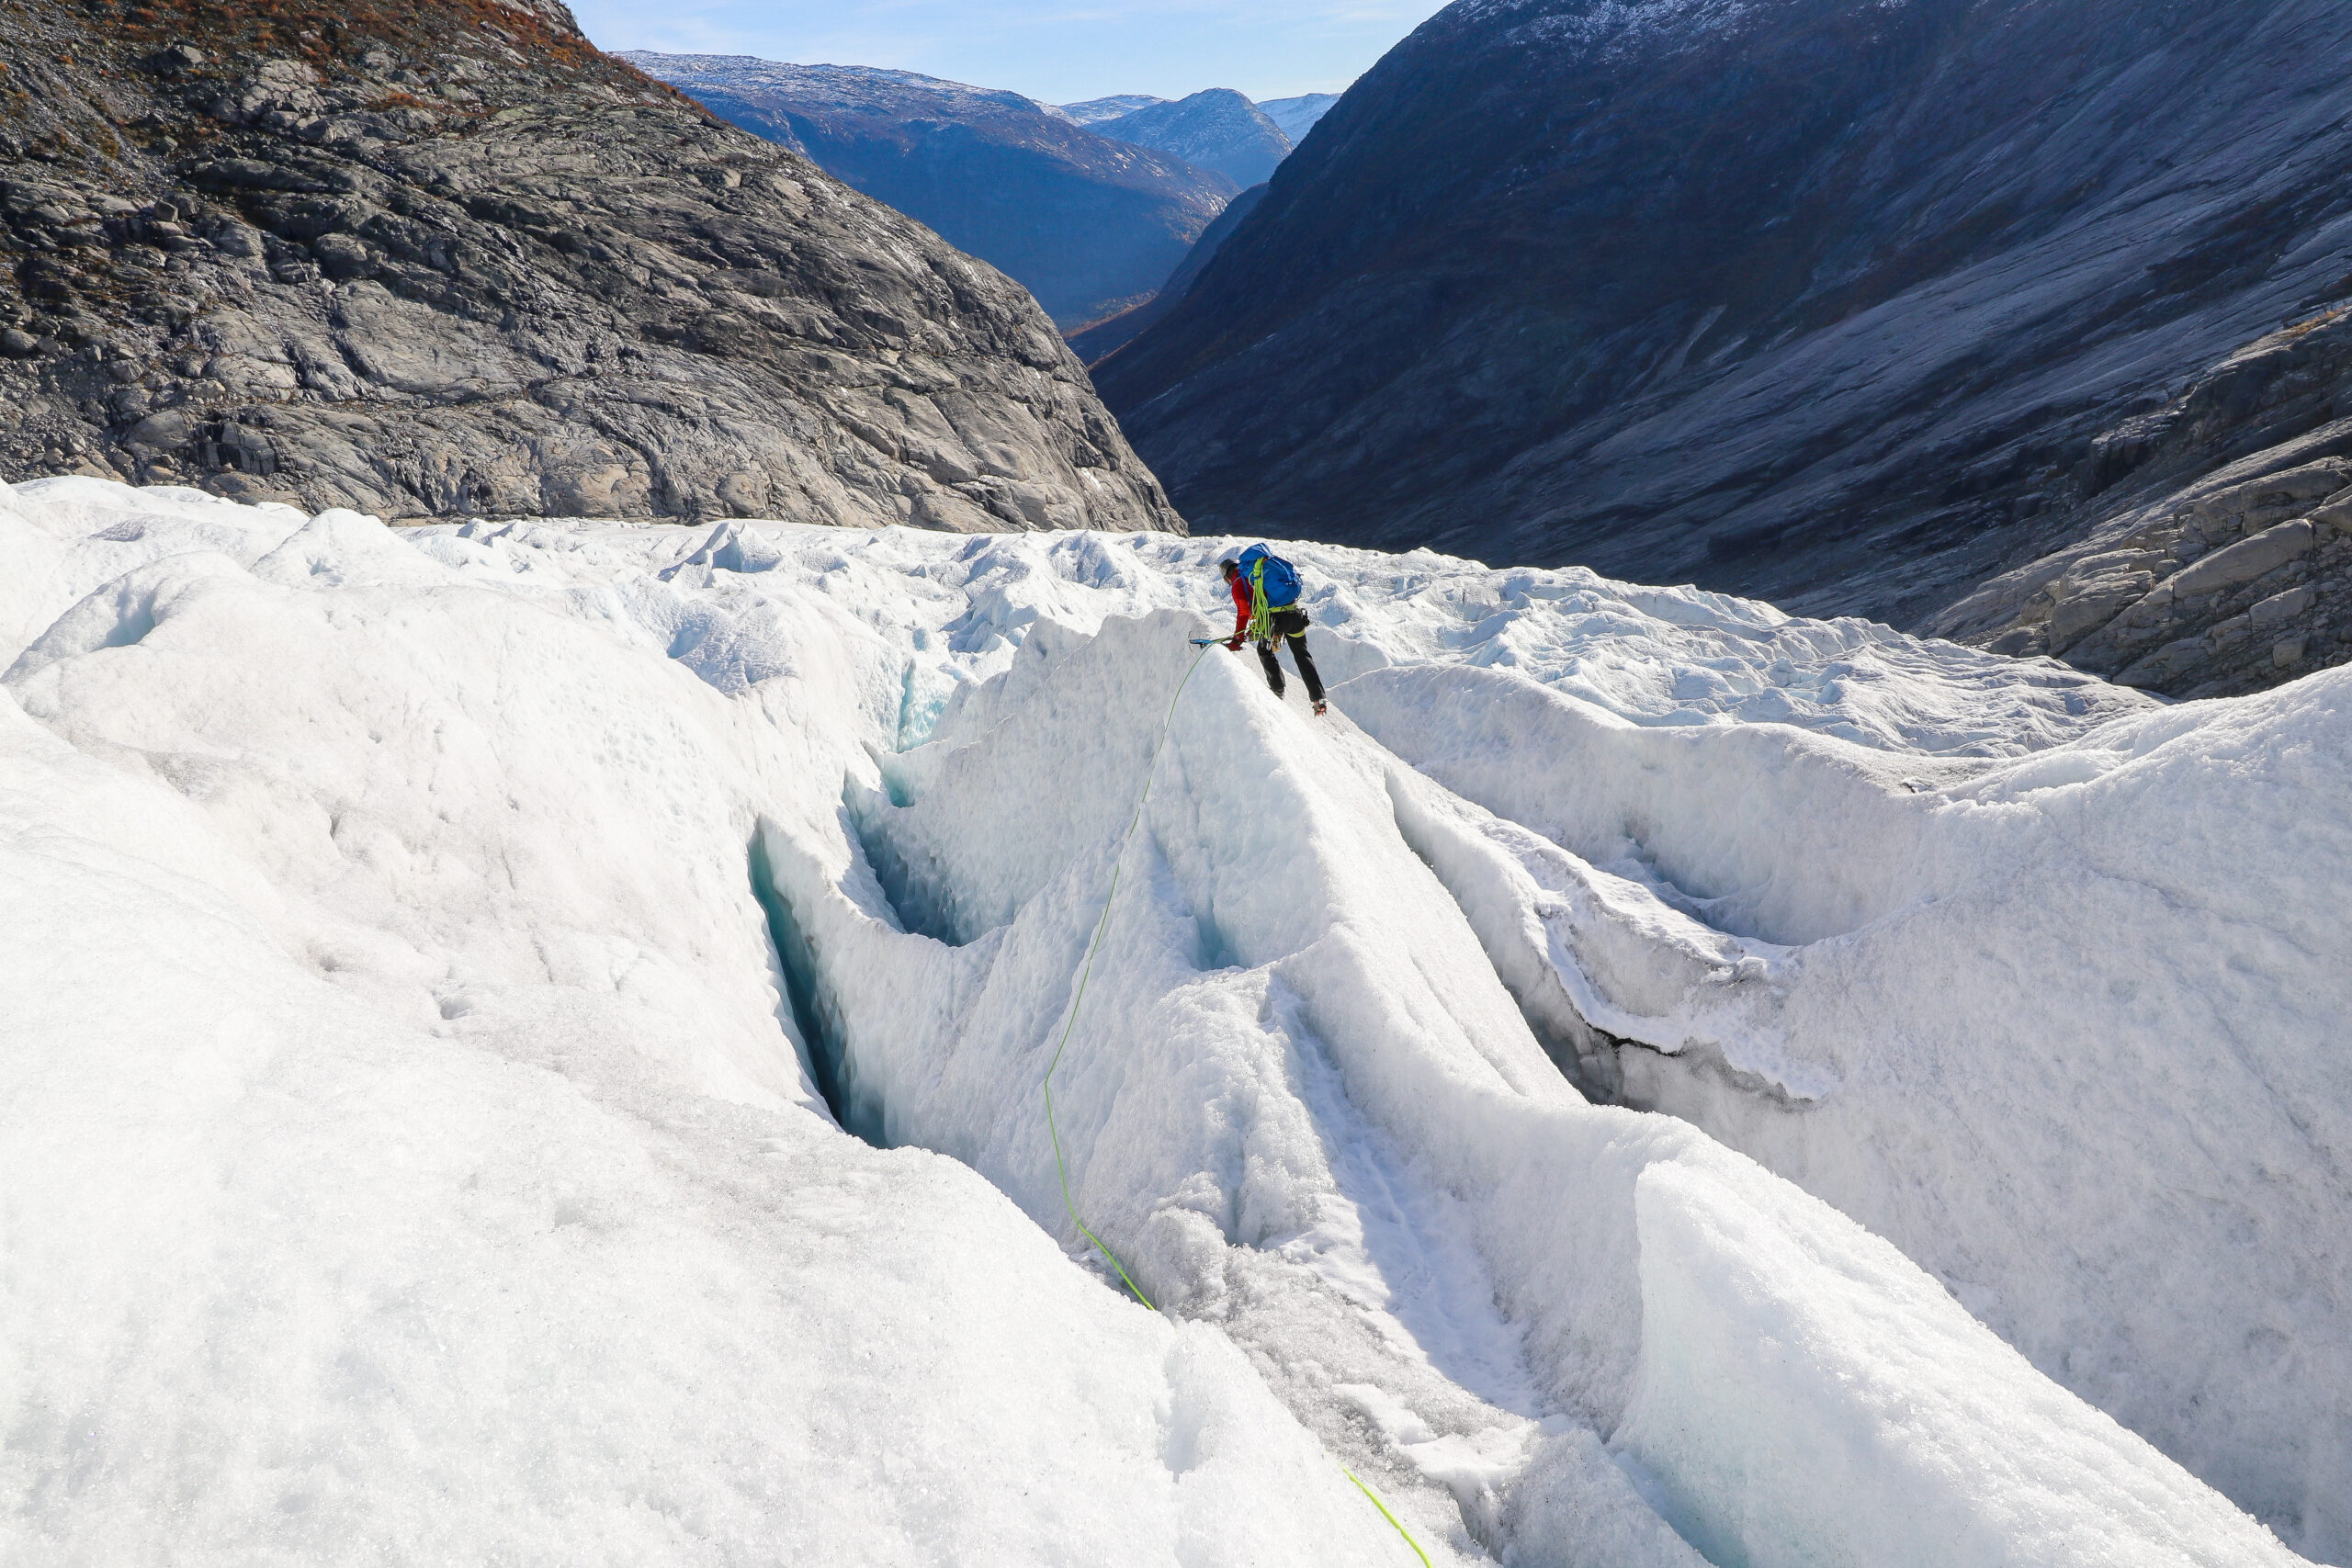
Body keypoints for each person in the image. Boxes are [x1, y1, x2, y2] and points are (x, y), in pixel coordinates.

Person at [1221, 548, 1327, 715]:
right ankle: (1318, 697)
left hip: (1275, 620)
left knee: (1264, 650)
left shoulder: (1239, 584)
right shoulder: (1258, 573)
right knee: (1302, 654)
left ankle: (1277, 691)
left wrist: (1237, 640)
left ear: (1227, 576)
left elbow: (1243, 613)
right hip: (1295, 615)